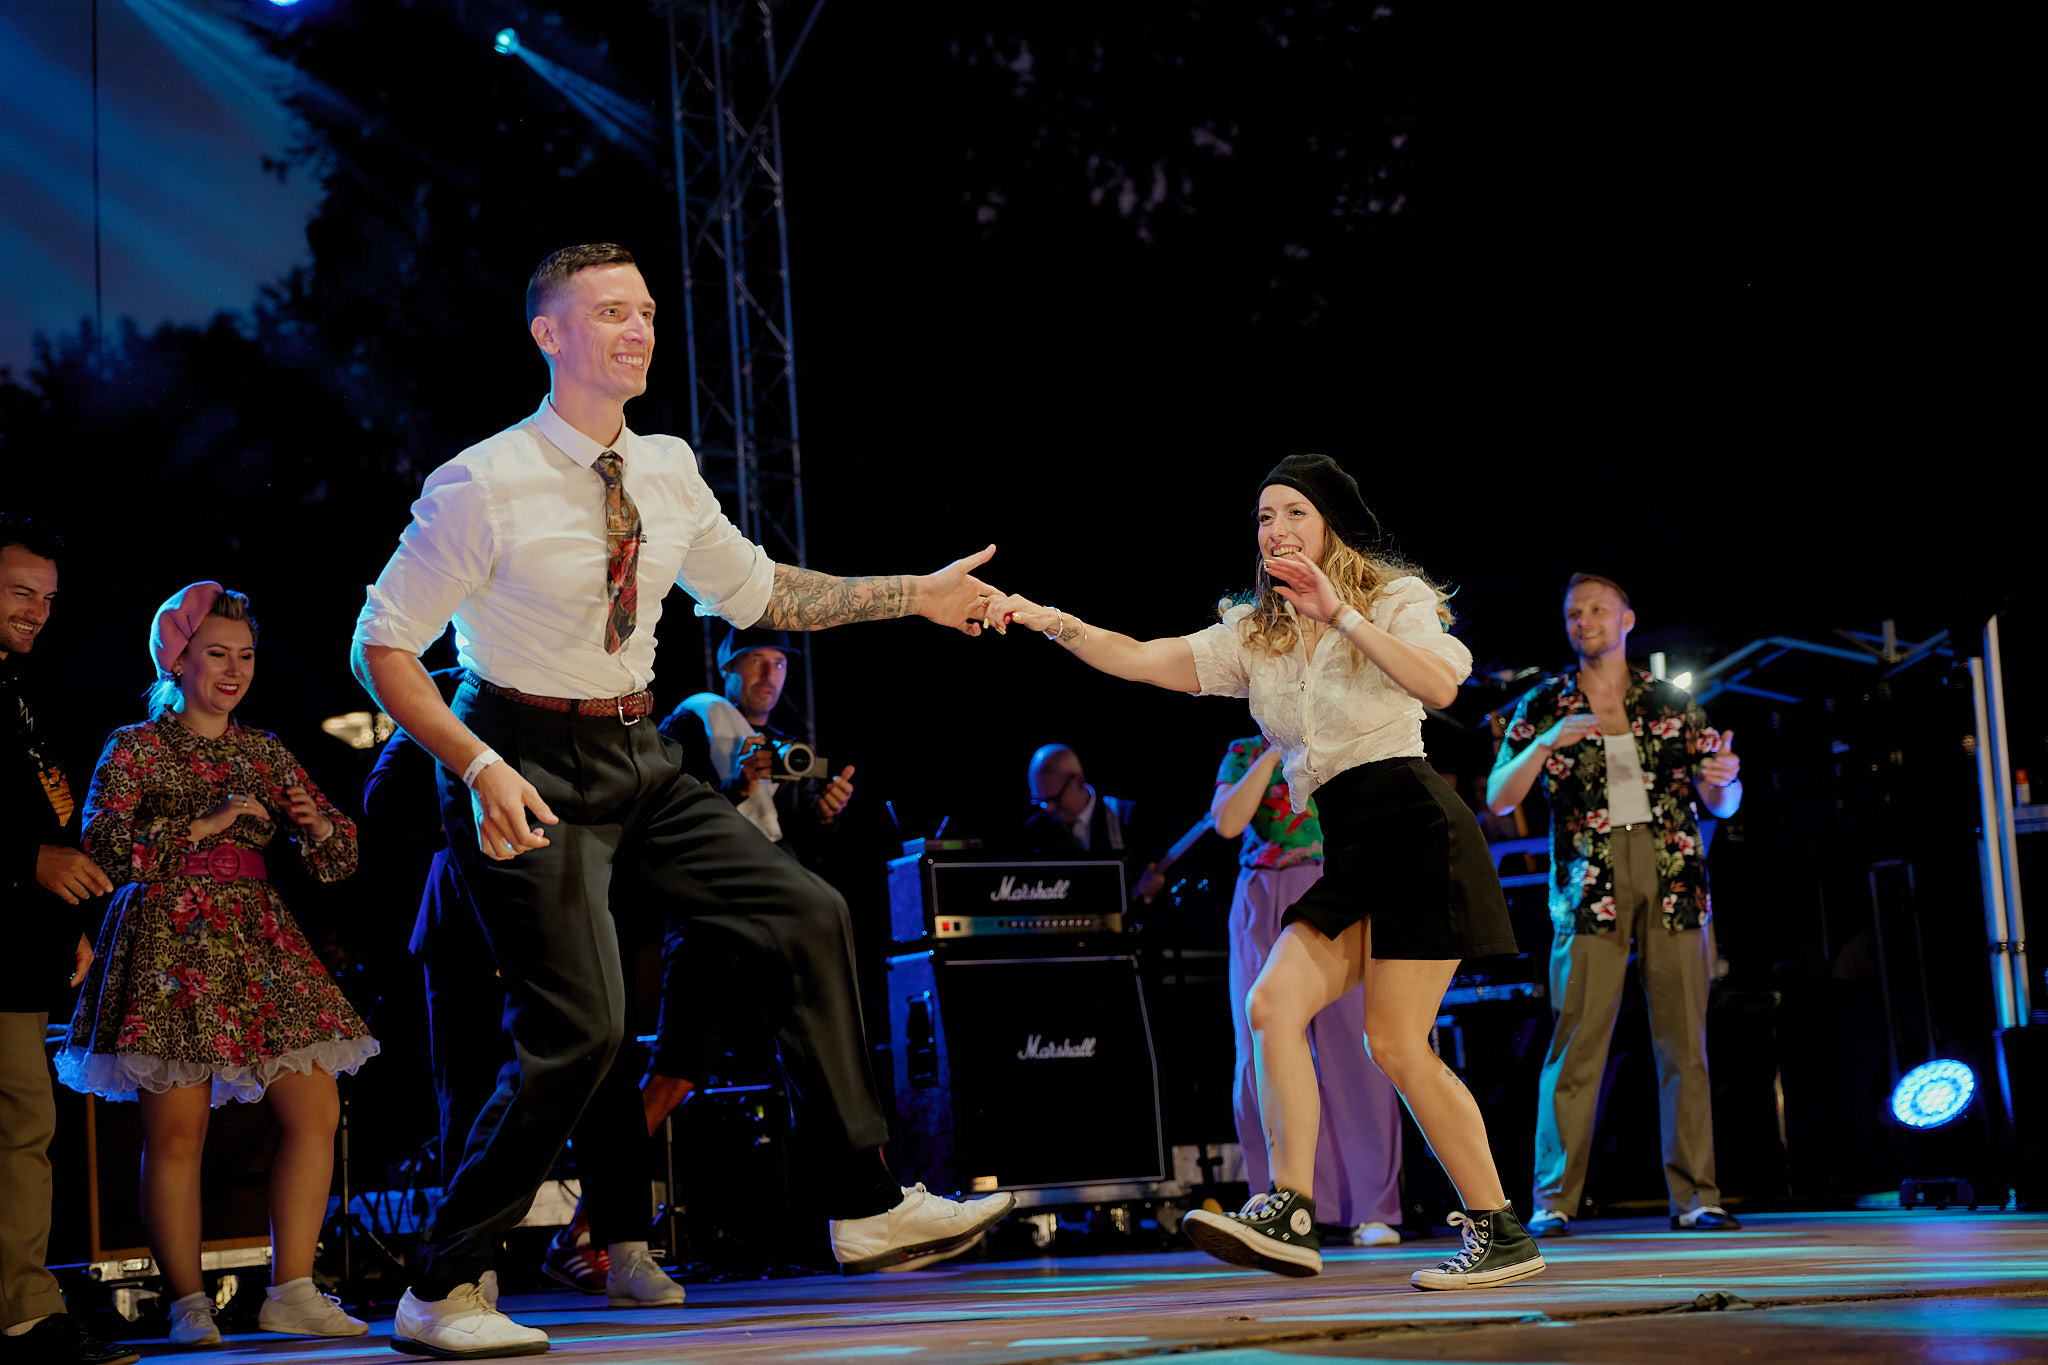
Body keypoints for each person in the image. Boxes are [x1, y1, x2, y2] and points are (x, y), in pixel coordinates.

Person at [351, 242, 1013, 1358]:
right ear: (548, 334)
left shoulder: (662, 467)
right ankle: (442, 1283)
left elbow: (766, 592)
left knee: (806, 913)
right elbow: (380, 647)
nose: (638, 329)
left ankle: (864, 1204)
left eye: (648, 311)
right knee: (582, 1032)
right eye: (611, 311)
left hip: (637, 752)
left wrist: (916, 595)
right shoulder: (482, 481)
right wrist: (476, 766)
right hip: (519, 753)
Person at [986, 454, 1543, 1291]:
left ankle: (1501, 1230)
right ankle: (1290, 1207)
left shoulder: (1393, 599)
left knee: (1395, 1042)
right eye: (1263, 516)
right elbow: (1141, 657)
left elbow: (1439, 683)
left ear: (1331, 525)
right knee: (1272, 1003)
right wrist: (1049, 620)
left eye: (1294, 512)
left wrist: (1339, 613)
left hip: (1418, 829)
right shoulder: (1257, 632)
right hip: (1348, 843)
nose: (1275, 528)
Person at [58, 583, 378, 1346]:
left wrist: (316, 825)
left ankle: (292, 1288)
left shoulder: (263, 749)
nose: (234, 670)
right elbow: (104, 847)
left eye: (246, 655)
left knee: (317, 1108)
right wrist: (204, 824)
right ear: (178, 658)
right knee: (178, 1132)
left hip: (258, 938)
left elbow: (340, 856)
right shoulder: (135, 745)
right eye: (217, 654)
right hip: (170, 940)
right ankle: (187, 1302)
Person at [362, 688, 682, 1308]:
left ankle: (627, 1251)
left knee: (607, 1075)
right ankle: (471, 1263)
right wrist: (470, 811)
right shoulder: (446, 691)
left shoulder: (579, 692)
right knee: (471, 1088)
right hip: (469, 916)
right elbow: (384, 792)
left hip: (572, 902)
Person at [1484, 573, 1744, 1237]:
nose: (1585, 619)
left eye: (1598, 608)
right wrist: (1546, 742)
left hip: (1673, 872)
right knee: (1575, 1040)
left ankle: (1696, 1195)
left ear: (1627, 619)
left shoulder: (1669, 700)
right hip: (1588, 881)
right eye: (1574, 612)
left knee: (1684, 1040)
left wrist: (1727, 779)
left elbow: (1720, 800)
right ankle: (1553, 1199)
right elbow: (1499, 796)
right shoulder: (1547, 702)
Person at [0, 517, 137, 1365]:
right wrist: (29, 861)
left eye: (47, 598)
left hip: (18, 948)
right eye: (20, 592)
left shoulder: (24, 685)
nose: (37, 611)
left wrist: (69, 926)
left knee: (24, 1127)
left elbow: (47, 815)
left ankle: (27, 1311)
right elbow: (33, 843)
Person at [1212, 733, 1403, 1248]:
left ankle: (1371, 1208)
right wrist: (1275, 750)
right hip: (1261, 895)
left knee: (1354, 1050)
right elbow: (1227, 823)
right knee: (1260, 1050)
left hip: (1332, 885)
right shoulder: (1244, 752)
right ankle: (1278, 1199)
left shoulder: (1340, 739)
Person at [661, 627, 855, 871]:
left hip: (783, 877)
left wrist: (825, 815)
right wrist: (737, 788)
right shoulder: (691, 725)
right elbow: (668, 817)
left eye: (779, 664)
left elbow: (809, 849)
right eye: (756, 660)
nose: (768, 675)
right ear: (726, 667)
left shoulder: (791, 750)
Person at [1017, 744, 1166, 902]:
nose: (1050, 808)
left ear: (1079, 780)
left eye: (1055, 798)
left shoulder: (1129, 818)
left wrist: (1148, 888)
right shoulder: (1034, 833)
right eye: (1041, 801)